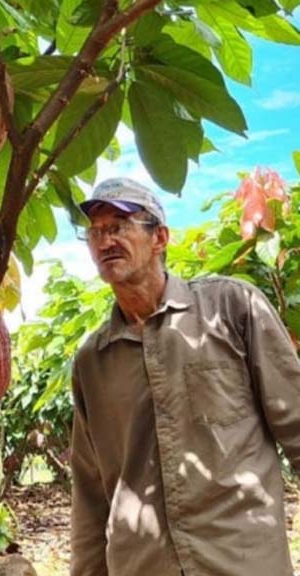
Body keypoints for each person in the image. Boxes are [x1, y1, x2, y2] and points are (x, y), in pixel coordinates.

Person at [68, 177, 300, 576]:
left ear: (159, 237)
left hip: (241, 561)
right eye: (96, 232)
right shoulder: (93, 360)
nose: (105, 242)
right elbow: (90, 494)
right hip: (143, 565)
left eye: (119, 226)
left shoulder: (231, 309)